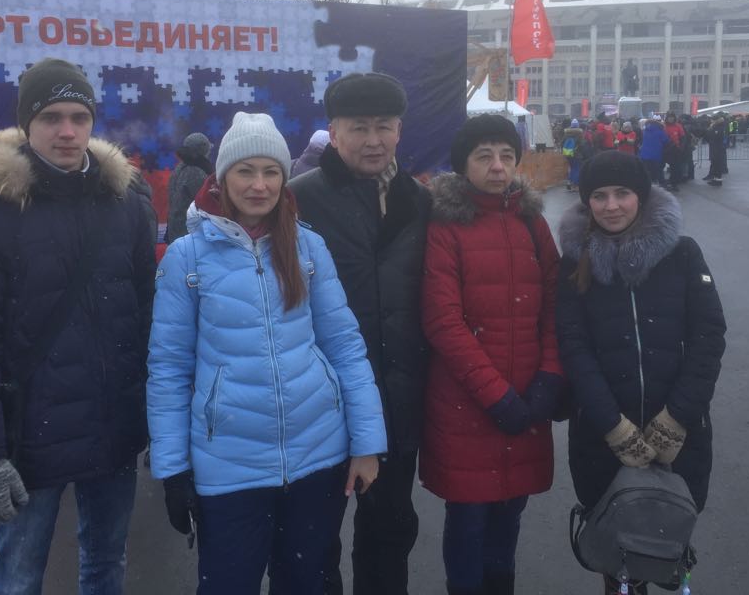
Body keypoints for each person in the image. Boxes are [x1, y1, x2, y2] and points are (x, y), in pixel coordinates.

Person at [0, 57, 156, 594]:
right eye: (52, 116)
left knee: (106, 566)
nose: (67, 131)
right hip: (29, 435)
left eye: (79, 116)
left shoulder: (126, 207)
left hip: (113, 427)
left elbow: (148, 316)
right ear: (26, 124)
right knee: (16, 577)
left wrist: (157, 415)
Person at [148, 112, 387, 595]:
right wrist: (172, 469)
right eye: (245, 171)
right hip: (229, 467)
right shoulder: (187, 257)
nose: (259, 185)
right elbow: (169, 369)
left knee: (304, 582)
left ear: (284, 176)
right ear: (223, 177)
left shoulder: (308, 247)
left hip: (318, 456)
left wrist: (366, 442)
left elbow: (344, 344)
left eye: (271, 172)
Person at [554, 150, 726, 595]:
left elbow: (708, 336)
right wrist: (614, 427)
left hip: (679, 434)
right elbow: (574, 348)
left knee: (666, 541)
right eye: (599, 195)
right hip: (602, 434)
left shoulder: (682, 254)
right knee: (616, 553)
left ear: (642, 197)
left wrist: (679, 417)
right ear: (586, 200)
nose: (611, 205)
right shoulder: (575, 263)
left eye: (623, 193)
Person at [289, 71, 432, 595]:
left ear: (399, 131)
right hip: (318, 398)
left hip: (395, 397)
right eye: (359, 128)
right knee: (312, 535)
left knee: (390, 530)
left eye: (384, 127)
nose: (373, 140)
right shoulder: (297, 199)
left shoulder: (418, 200)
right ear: (333, 130)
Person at [420, 114, 563, 595]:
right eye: (484, 156)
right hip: (468, 405)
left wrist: (549, 374)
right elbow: (444, 321)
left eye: (505, 155)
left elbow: (555, 304)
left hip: (527, 400)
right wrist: (494, 394)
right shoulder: (446, 226)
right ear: (464, 166)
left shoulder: (531, 221)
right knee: (469, 520)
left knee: (509, 517)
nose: (498, 166)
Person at [165, 132, 213, 243]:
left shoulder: (179, 168)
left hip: (176, 232)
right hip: (189, 235)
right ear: (204, 150)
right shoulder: (196, 172)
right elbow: (208, 205)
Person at [638, 116, 668, 186]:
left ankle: (648, 183)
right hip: (656, 155)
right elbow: (666, 141)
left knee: (647, 171)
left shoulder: (645, 131)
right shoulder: (660, 131)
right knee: (659, 170)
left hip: (644, 155)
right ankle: (662, 184)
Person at [703, 115, 727, 186]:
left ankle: (718, 181)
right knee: (714, 164)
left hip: (718, 148)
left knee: (717, 165)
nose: (712, 121)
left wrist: (711, 130)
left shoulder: (720, 127)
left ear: (717, 120)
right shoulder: (715, 126)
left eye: (713, 120)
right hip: (714, 147)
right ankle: (714, 179)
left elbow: (716, 136)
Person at [562, 119, 585, 191]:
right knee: (576, 169)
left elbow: (562, 143)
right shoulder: (579, 134)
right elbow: (582, 145)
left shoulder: (567, 133)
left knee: (571, 168)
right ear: (578, 125)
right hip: (577, 154)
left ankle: (569, 182)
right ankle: (575, 186)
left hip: (568, 154)